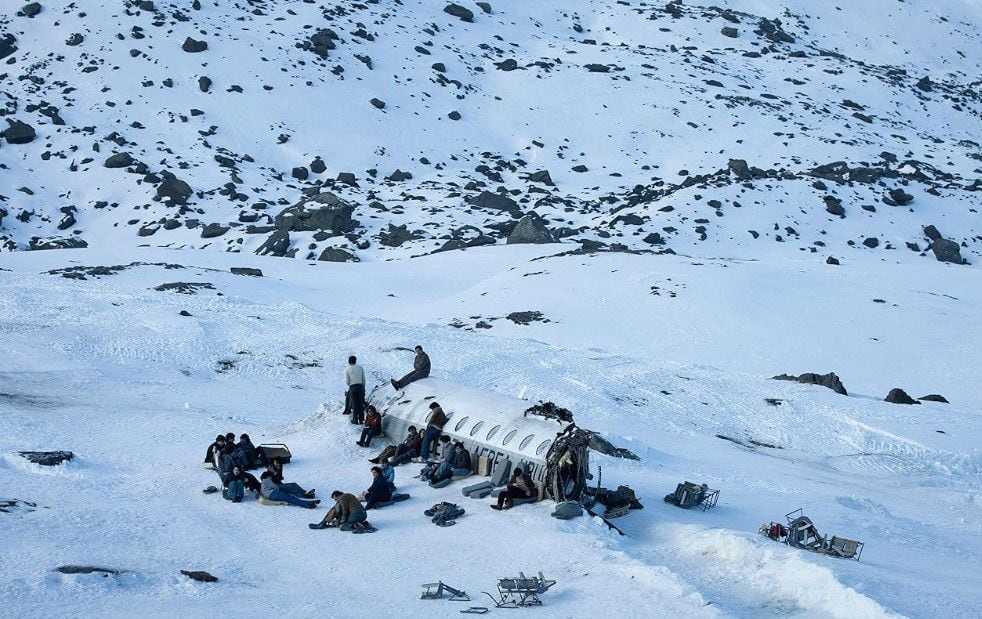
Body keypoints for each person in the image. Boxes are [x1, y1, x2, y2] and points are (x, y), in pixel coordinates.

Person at [345, 356, 366, 424]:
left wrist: (351, 385)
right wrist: (363, 387)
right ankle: (361, 419)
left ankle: (355, 420)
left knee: (355, 404)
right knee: (361, 403)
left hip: (353, 387)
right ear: (355, 361)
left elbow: (347, 381)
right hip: (360, 387)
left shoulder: (347, 369)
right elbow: (364, 379)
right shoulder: (360, 368)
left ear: (349, 361)